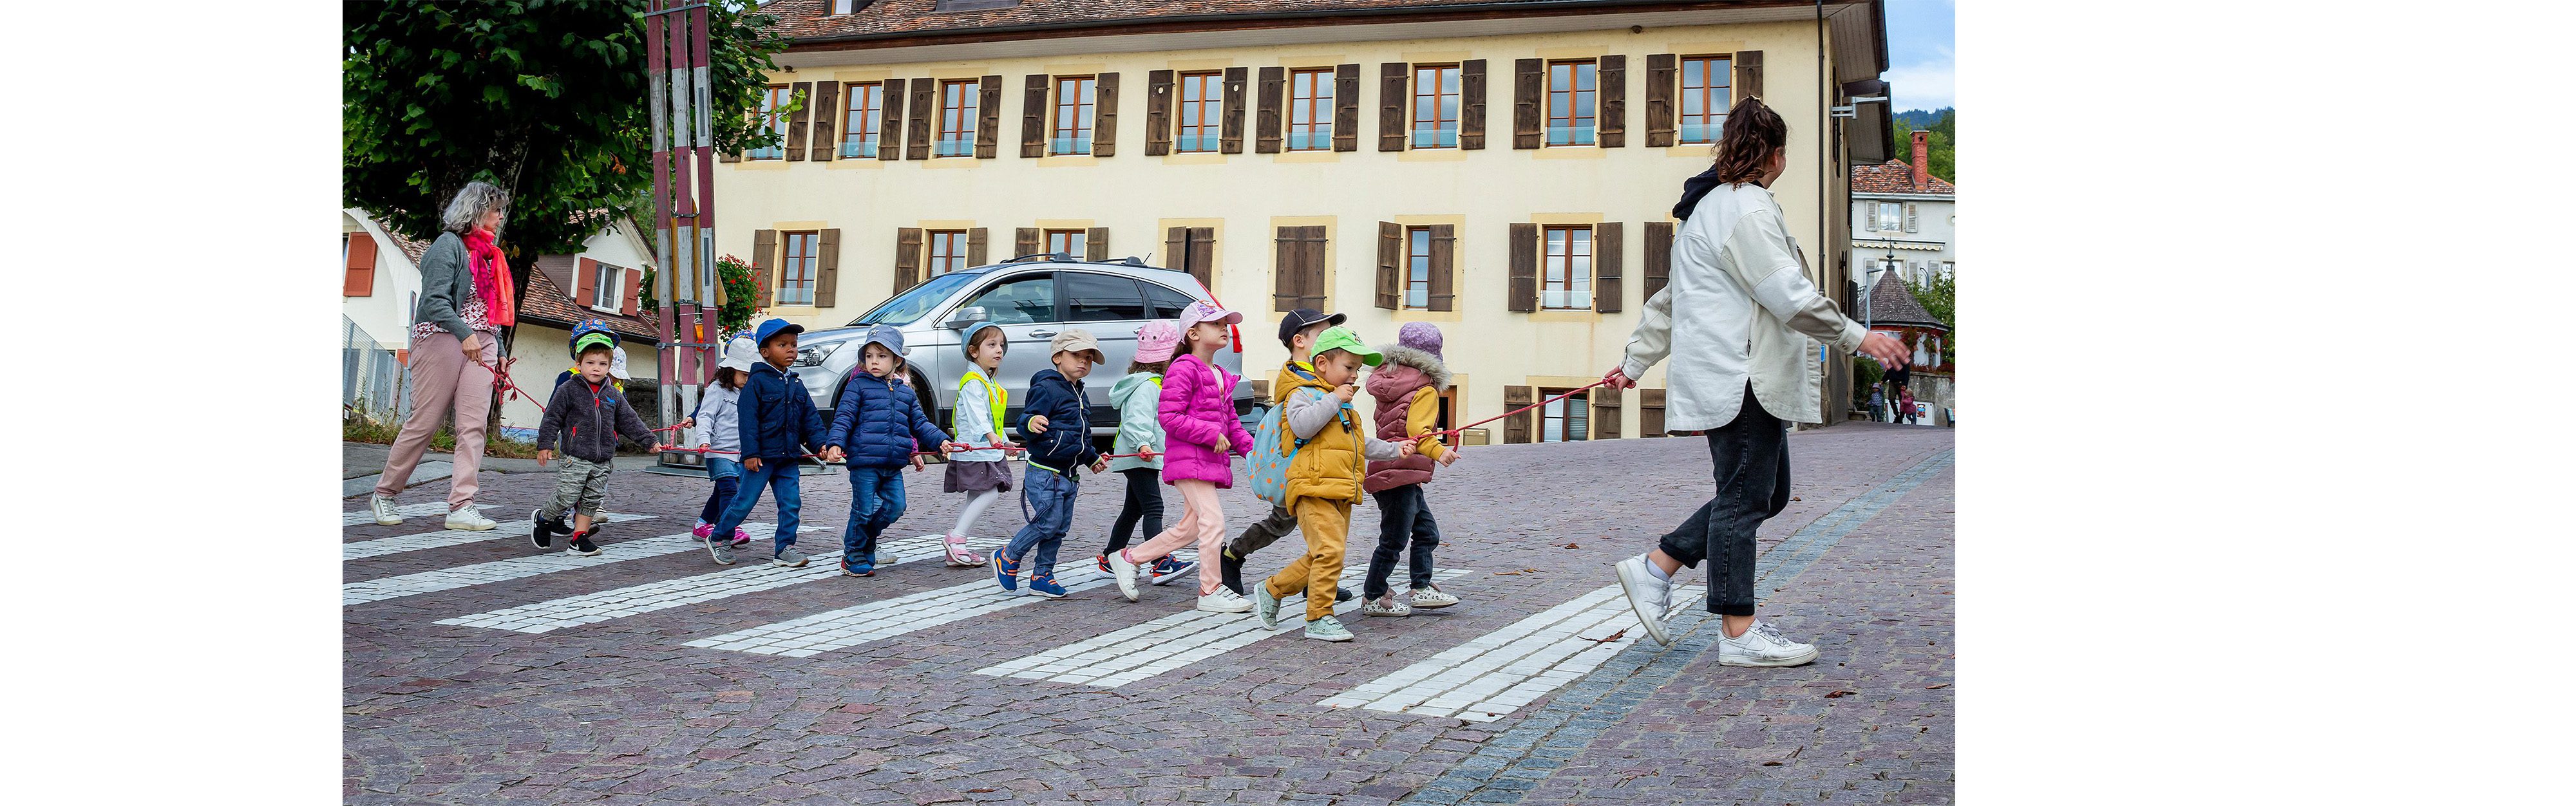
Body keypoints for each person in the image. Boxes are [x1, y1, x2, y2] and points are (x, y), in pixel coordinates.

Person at [1605, 96, 1911, 666]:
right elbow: (1785, 293)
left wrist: (1634, 362)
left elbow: (1670, 303)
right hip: (1742, 376)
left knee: (1762, 494)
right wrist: (1857, 336)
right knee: (1745, 502)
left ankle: (1659, 567)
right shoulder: (1746, 210)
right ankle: (1738, 631)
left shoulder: (1709, 211)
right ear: (1776, 154)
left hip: (1733, 374)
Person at [366, 181, 518, 530]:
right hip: (442, 338)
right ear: (477, 210)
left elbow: (491, 310)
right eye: (495, 210)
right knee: (426, 421)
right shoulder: (446, 247)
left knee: (474, 425)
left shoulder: (491, 254)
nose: (500, 217)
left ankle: (462, 506)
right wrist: (465, 335)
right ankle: (385, 493)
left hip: (484, 343)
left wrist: (502, 353)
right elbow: (433, 302)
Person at [1249, 326, 1416, 641]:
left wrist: (1395, 449)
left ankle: (1273, 589)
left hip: (1339, 488)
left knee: (1325, 555)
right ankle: (1319, 617)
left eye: (1357, 369)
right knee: (1330, 551)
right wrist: (1335, 400)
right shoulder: (1302, 394)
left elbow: (1356, 443)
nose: (1355, 376)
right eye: (1349, 367)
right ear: (1323, 364)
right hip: (1312, 487)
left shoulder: (1342, 403)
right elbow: (1302, 427)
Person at [1110, 301, 1256, 613]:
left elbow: (1231, 423)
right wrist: (1209, 433)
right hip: (1188, 459)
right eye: (1216, 324)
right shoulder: (1182, 368)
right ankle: (1210, 590)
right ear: (1193, 333)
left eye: (1225, 324)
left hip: (1207, 462)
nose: (1224, 329)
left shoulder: (1219, 374)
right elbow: (1169, 416)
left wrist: (1254, 452)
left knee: (1191, 528)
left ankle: (1128, 558)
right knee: (1213, 520)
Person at [1217, 307, 1354, 604]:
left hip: (1317, 465)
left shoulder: (1321, 373)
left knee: (1315, 523)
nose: (1330, 339)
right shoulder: (1297, 379)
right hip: (1297, 464)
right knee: (1284, 522)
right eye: (1322, 334)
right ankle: (1231, 555)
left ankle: (1313, 579)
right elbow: (1303, 424)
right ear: (1300, 341)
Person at [823, 325, 958, 577]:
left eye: (882, 356)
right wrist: (835, 443)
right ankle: (852, 555)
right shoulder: (858, 387)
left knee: (896, 506)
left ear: (897, 361)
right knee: (863, 510)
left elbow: (920, 423)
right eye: (870, 356)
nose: (874, 361)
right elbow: (843, 418)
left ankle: (867, 541)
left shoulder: (906, 393)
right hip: (864, 462)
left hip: (893, 464)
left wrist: (940, 440)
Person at [705, 318, 842, 567]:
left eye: (794, 344)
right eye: (783, 345)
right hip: (760, 458)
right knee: (744, 502)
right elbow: (747, 421)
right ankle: (719, 536)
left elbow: (810, 419)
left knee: (791, 503)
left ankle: (785, 548)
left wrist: (821, 444)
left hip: (788, 457)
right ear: (765, 352)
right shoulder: (756, 383)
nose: (791, 349)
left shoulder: (797, 385)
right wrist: (750, 453)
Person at [991, 331, 1112, 598]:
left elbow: (1080, 434)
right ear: (1058, 357)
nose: (1083, 362)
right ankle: (1008, 556)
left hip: (1070, 475)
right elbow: (1026, 418)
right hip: (1044, 471)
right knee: (1047, 522)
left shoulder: (1080, 392)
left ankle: (1042, 575)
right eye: (1077, 355)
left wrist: (1091, 458)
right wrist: (1030, 423)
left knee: (1059, 529)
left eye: (1088, 358)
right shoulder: (1046, 387)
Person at [1359, 323, 1464, 617]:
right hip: (1402, 472)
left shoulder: (1388, 382)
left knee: (1426, 532)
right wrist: (1439, 451)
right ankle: (1374, 596)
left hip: (1391, 468)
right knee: (1393, 540)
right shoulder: (1425, 390)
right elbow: (1418, 430)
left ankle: (1421, 587)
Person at [529, 329, 665, 556]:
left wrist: (649, 441)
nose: (596, 368)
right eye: (590, 362)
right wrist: (545, 444)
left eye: (602, 364)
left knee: (591, 500)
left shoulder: (613, 395)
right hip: (575, 457)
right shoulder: (568, 390)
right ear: (578, 363)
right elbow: (552, 417)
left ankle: (578, 539)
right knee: (568, 496)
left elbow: (631, 421)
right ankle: (544, 517)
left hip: (603, 460)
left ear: (609, 367)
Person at [1100, 320, 1185, 582]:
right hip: (1139, 454)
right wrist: (1143, 444)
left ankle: (1110, 556)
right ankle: (1159, 561)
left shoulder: (1152, 384)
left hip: (1141, 454)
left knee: (1133, 509)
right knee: (1153, 506)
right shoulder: (1147, 386)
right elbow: (1136, 420)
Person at [940, 323, 1013, 568]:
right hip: (975, 449)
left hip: (986, 449)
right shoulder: (973, 381)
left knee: (977, 493)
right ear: (973, 351)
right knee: (990, 491)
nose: (999, 350)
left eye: (1001, 345)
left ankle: (957, 546)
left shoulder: (988, 381)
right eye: (992, 345)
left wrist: (1003, 440)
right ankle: (956, 537)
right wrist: (992, 437)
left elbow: (993, 417)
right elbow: (977, 415)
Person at [679, 333, 756, 548]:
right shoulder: (717, 389)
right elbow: (705, 415)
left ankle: (702, 524)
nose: (748, 379)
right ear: (730, 370)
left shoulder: (747, 392)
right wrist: (703, 440)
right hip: (718, 451)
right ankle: (729, 527)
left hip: (739, 453)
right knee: (730, 490)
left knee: (724, 490)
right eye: (744, 375)